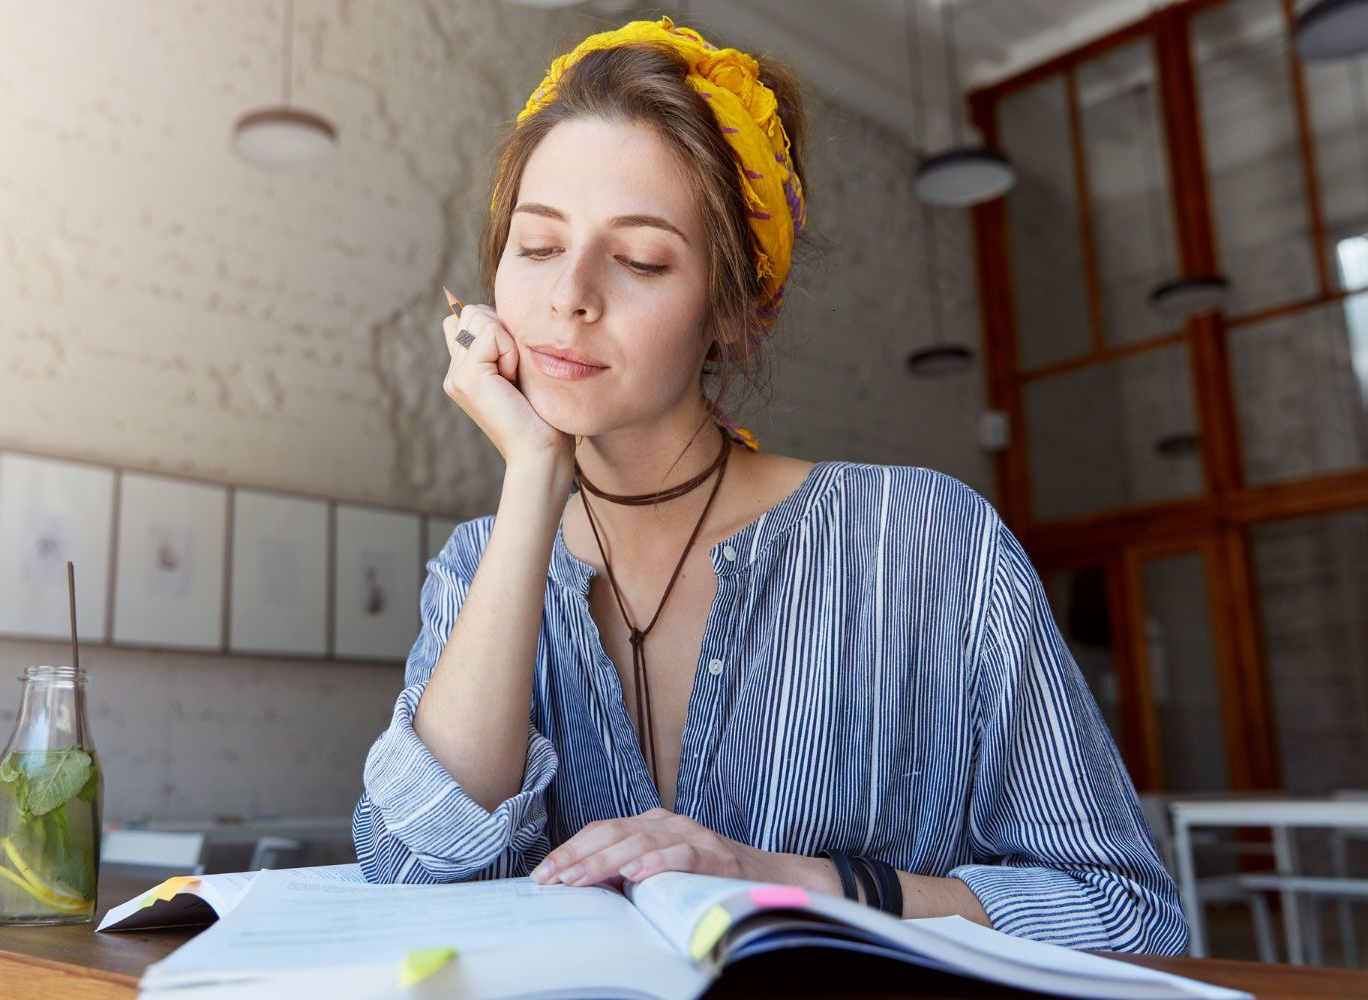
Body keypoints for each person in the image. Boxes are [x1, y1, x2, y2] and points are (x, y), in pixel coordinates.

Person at [351, 17, 1186, 955]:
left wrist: (791, 882)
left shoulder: (923, 540)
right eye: (537, 247)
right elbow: (414, 865)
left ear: (740, 311)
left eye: (640, 260)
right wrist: (536, 474)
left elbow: (1125, 913)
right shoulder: (480, 563)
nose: (569, 295)